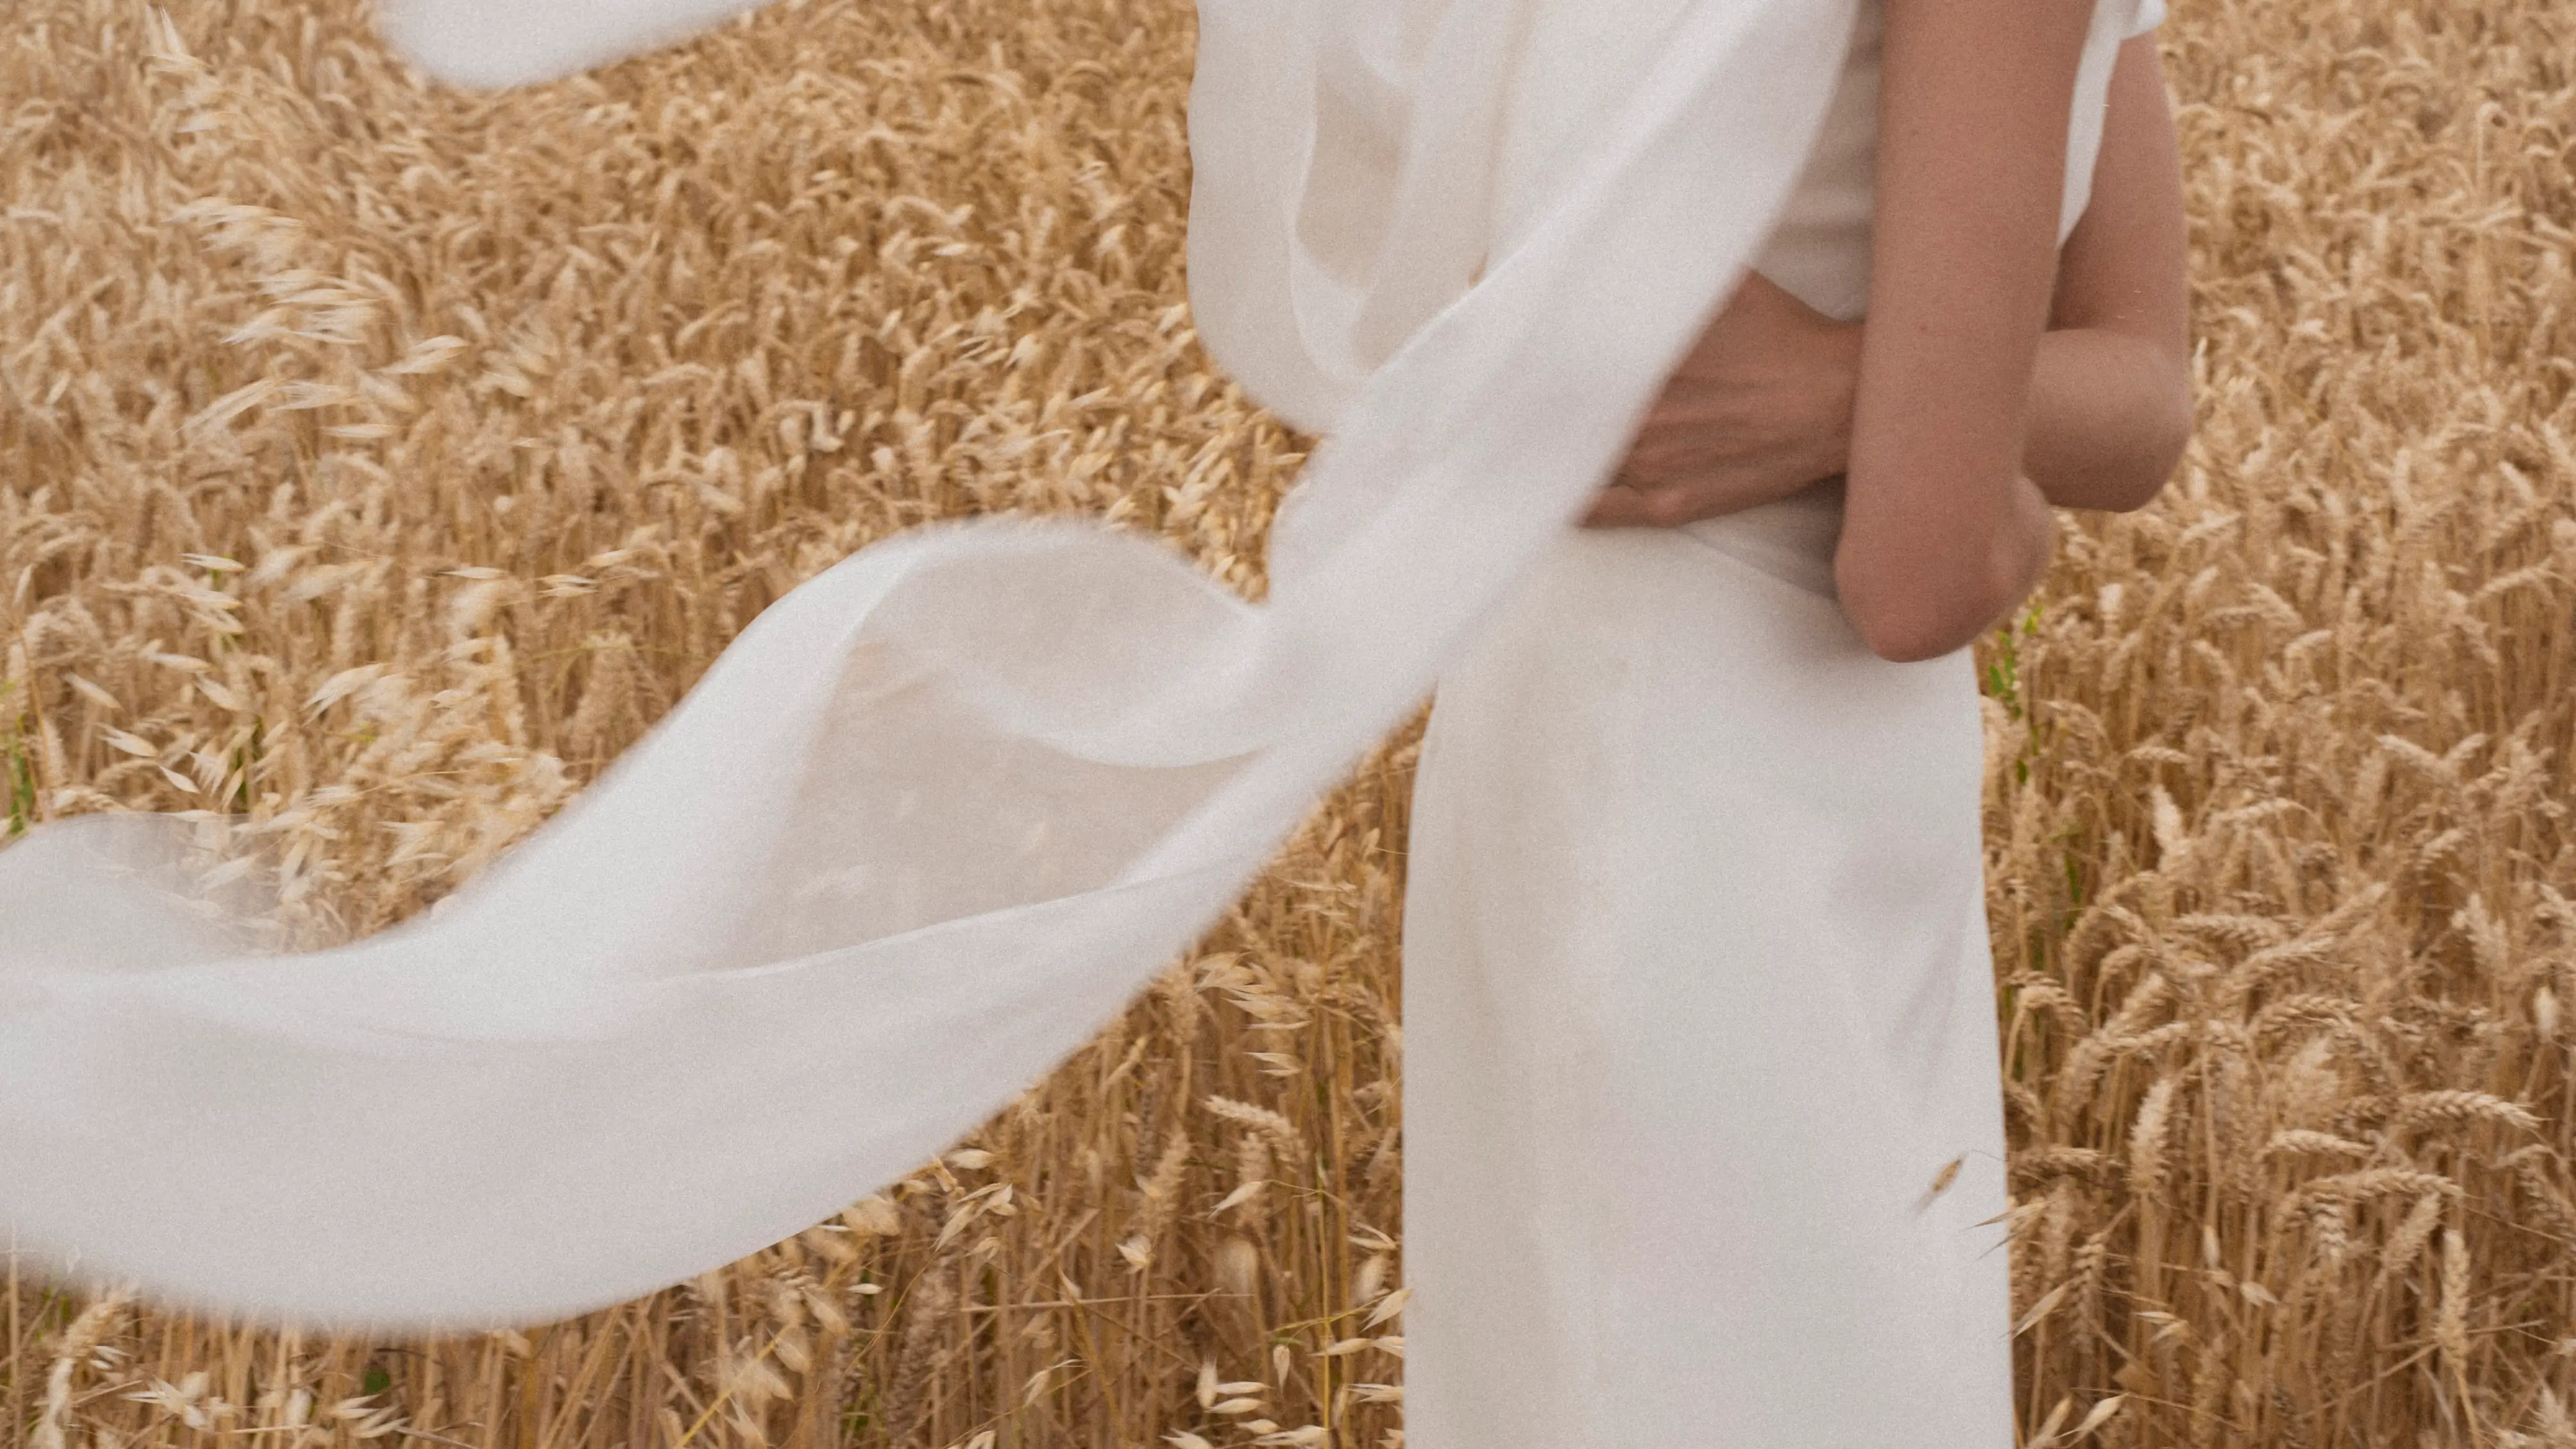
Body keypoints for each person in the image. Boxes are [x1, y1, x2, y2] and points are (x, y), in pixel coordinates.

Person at [1394, 0, 2190, 1443]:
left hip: (1569, 723)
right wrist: (1962, 469)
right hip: (1731, 805)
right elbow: (1917, 568)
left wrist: (1841, 392)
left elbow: (2144, 386)